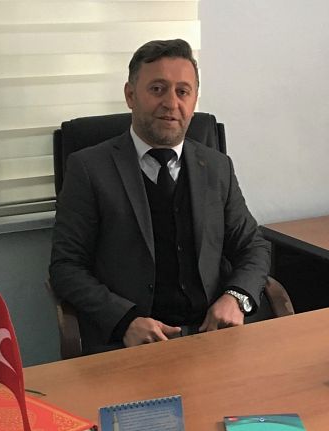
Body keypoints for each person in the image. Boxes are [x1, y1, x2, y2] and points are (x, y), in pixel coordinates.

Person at [49, 39, 270, 354]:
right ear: (130, 95)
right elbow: (66, 266)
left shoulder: (216, 166)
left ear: (194, 100)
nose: (171, 103)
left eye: (183, 91)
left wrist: (236, 297)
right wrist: (125, 321)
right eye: (157, 89)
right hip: (130, 343)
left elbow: (252, 246)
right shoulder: (89, 168)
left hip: (211, 335)